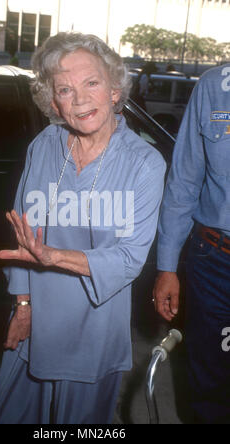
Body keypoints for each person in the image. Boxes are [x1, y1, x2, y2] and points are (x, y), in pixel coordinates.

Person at [0, 32, 166, 425]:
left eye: (92, 82)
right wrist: (22, 304)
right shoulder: (44, 144)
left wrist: (53, 256)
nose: (81, 98)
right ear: (53, 103)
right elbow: (22, 231)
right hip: (34, 324)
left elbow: (129, 259)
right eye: (65, 89)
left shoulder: (145, 163)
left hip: (94, 332)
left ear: (115, 90)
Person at [153, 64, 230, 424]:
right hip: (216, 263)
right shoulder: (214, 86)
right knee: (210, 387)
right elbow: (184, 181)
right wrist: (167, 266)